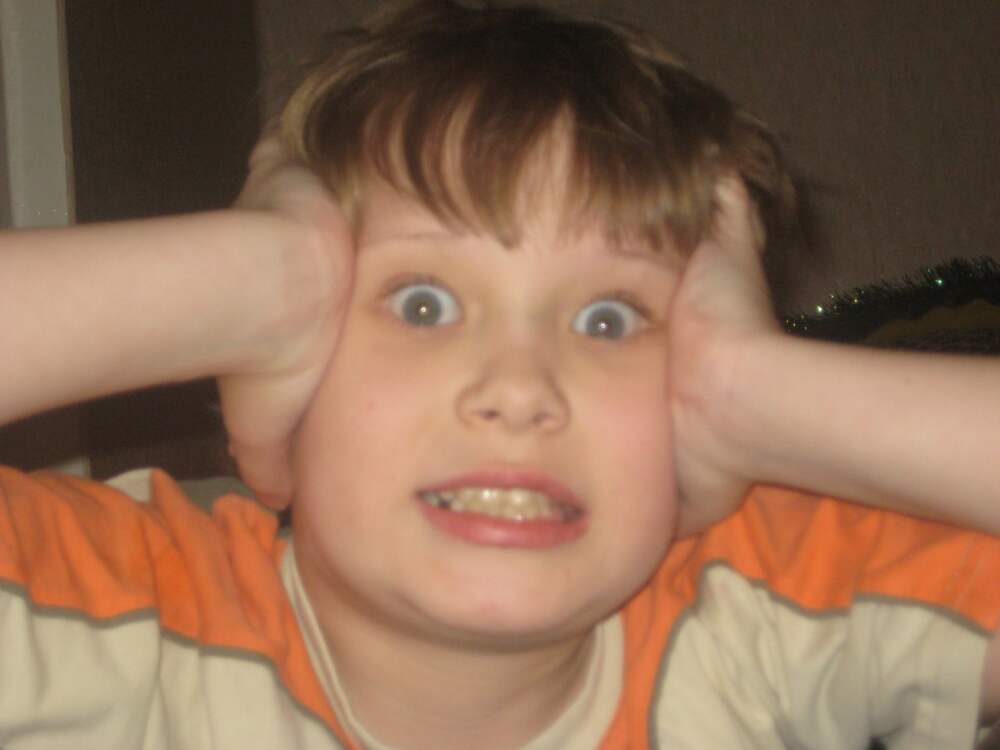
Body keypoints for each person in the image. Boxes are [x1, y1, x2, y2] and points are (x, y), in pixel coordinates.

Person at [1, 1, 998, 747]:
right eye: (422, 304)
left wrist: (752, 385)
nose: (521, 391)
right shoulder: (117, 617)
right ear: (281, 363)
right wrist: (262, 273)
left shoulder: (763, 611)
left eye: (608, 319)